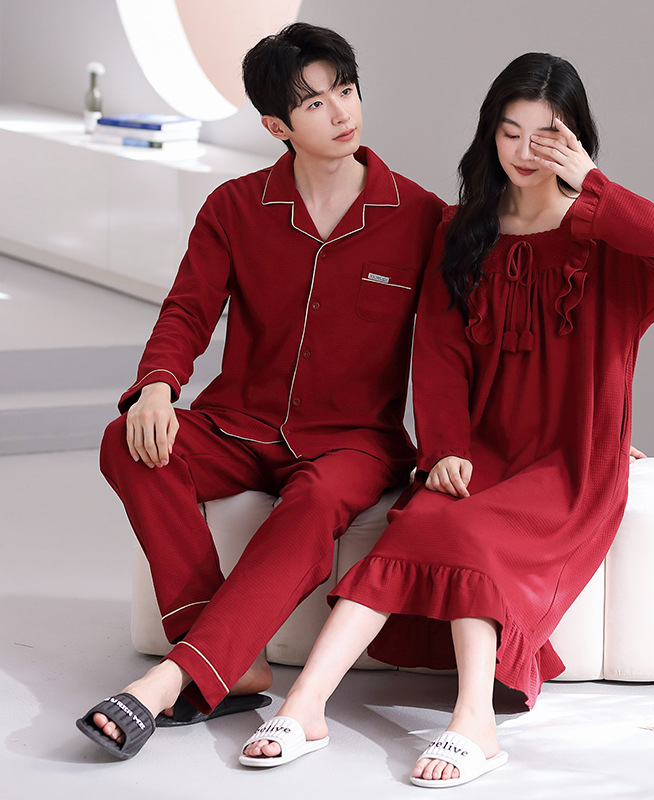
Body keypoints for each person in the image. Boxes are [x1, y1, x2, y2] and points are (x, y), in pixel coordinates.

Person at [239, 52, 654, 787]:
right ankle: (305, 707)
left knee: (470, 534)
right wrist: (446, 448)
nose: (525, 151)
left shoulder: (603, 237)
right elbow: (439, 353)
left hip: (567, 458)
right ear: (490, 133)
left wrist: (594, 184)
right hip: (481, 448)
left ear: (576, 138)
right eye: (510, 132)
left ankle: (474, 725)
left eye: (547, 135)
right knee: (415, 526)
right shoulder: (461, 231)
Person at [75, 22, 443, 760]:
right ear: (277, 126)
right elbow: (187, 310)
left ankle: (172, 678)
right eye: (314, 104)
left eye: (346, 90)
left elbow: (460, 347)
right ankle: (230, 660)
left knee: (313, 505)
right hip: (237, 422)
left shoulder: (422, 218)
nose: (341, 113)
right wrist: (157, 386)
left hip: (352, 442)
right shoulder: (235, 208)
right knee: (128, 441)